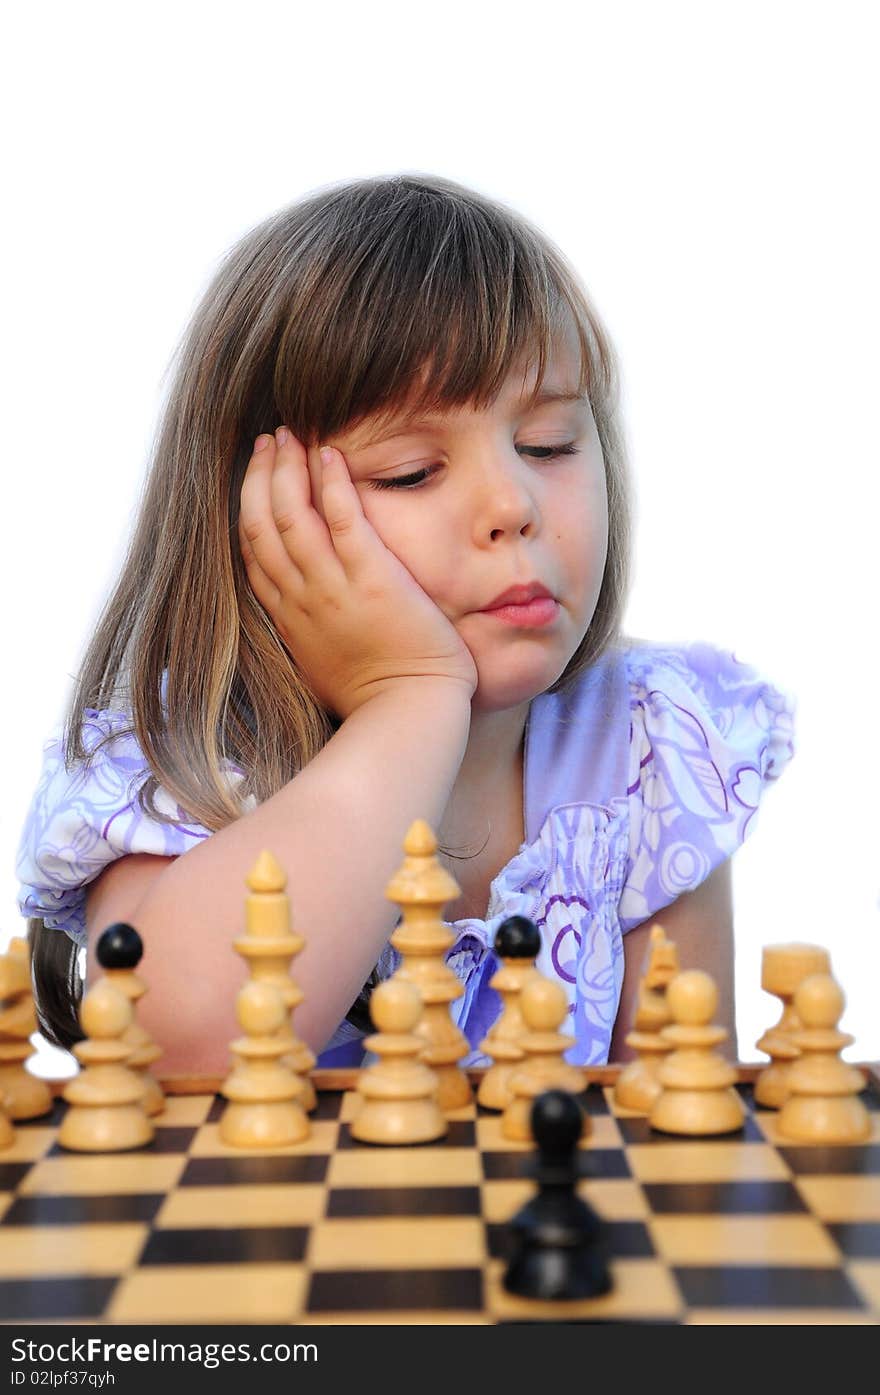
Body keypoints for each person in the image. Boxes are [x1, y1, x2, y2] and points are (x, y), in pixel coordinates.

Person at [15, 172, 796, 1077]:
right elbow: (174, 1051)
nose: (513, 502)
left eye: (549, 443)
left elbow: (680, 1129)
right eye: (412, 471)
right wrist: (410, 702)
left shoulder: (650, 747)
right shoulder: (178, 761)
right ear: (263, 512)